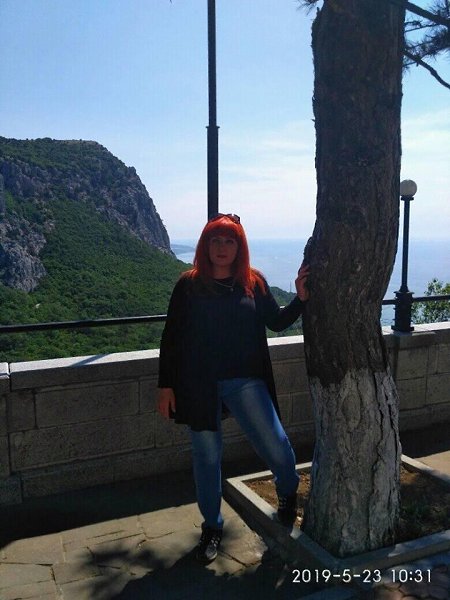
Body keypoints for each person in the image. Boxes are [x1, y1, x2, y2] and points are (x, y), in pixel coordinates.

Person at [157, 213, 309, 563]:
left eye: (230, 241)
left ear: (240, 247)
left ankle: (287, 491)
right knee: (207, 458)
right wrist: (166, 386)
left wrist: (300, 299)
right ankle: (212, 526)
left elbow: (276, 322)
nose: (222, 247)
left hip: (245, 380)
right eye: (216, 240)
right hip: (198, 384)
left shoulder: (253, 282)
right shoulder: (188, 285)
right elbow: (171, 338)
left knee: (276, 443)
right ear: (205, 245)